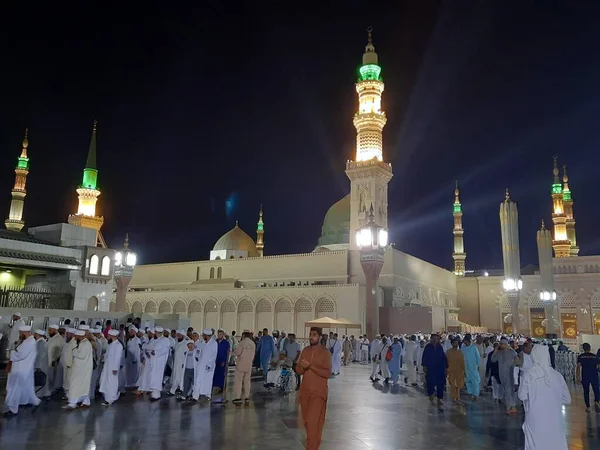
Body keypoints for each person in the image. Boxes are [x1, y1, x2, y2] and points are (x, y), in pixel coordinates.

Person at [518, 345, 571, 450]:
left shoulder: (529, 374)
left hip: (535, 419)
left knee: (536, 444)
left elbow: (521, 396)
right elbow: (567, 400)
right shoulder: (557, 375)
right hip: (555, 419)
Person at [295, 327, 331, 450]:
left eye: (314, 335)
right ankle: (314, 445)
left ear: (320, 337)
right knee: (308, 422)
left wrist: (311, 367)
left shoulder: (325, 352)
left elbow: (327, 373)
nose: (311, 337)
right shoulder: (305, 350)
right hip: (305, 391)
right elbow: (299, 370)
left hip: (318, 392)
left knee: (312, 421)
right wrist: (300, 367)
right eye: (310, 334)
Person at [3, 325, 41, 417]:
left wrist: (12, 352)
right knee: (26, 388)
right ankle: (33, 402)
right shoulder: (27, 341)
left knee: (16, 389)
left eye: (21, 333)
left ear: (25, 332)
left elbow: (21, 355)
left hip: (21, 370)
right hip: (23, 369)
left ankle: (13, 410)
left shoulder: (29, 342)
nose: (20, 335)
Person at [64, 329, 93, 409]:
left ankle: (72, 403)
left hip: (81, 370)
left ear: (79, 336)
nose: (75, 338)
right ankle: (85, 401)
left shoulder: (85, 344)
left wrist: (73, 350)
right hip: (80, 369)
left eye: (76, 336)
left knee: (75, 386)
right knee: (81, 387)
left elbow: (81, 355)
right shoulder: (83, 343)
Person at [491, 338, 519, 414]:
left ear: (505, 344)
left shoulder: (512, 352)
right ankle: (512, 407)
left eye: (501, 344)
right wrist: (495, 351)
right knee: (507, 390)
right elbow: (493, 360)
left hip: (509, 374)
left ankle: (509, 407)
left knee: (509, 390)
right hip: (501, 374)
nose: (500, 345)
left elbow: (518, 362)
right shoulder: (499, 353)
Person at [191, 328, 218, 403]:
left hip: (208, 366)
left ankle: (208, 395)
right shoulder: (202, 343)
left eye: (204, 335)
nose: (202, 336)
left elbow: (214, 355)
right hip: (200, 365)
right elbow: (198, 351)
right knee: (198, 380)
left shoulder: (214, 343)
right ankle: (195, 396)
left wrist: (210, 364)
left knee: (208, 381)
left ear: (207, 335)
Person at [421, 333, 448, 406]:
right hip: (431, 368)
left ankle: (440, 398)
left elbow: (443, 357)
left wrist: (446, 367)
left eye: (436, 338)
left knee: (440, 384)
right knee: (430, 382)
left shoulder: (440, 347)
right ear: (431, 339)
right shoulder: (428, 347)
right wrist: (424, 366)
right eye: (434, 338)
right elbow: (424, 357)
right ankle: (431, 394)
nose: (435, 340)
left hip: (440, 368)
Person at [231, 330, 256, 404]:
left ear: (243, 335)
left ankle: (238, 397)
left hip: (241, 365)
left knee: (239, 381)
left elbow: (238, 353)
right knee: (247, 382)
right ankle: (247, 398)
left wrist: (230, 353)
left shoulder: (242, 343)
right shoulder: (253, 343)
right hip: (249, 365)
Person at [100, 329, 123, 406]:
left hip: (113, 368)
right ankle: (107, 398)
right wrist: (103, 357)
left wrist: (115, 368)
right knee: (106, 381)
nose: (107, 337)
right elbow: (107, 354)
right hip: (107, 367)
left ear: (112, 336)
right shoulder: (110, 344)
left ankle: (111, 398)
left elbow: (117, 358)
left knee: (111, 383)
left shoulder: (118, 345)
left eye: (109, 336)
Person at [576, 342, 600, 413]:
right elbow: (599, 366)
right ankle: (597, 402)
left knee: (586, 391)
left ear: (583, 349)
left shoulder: (581, 356)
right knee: (596, 390)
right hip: (594, 375)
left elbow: (578, 367)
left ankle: (588, 407)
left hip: (585, 376)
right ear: (590, 348)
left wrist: (577, 377)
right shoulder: (595, 356)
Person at [148, 326, 170, 401]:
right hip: (153, 362)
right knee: (153, 377)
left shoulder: (165, 340)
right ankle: (154, 393)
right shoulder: (155, 340)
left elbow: (166, 350)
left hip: (159, 362)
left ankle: (156, 395)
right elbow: (150, 347)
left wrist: (156, 353)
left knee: (157, 378)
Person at [168, 330, 189, 396]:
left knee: (180, 377)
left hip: (182, 363)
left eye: (180, 335)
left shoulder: (186, 343)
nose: (178, 336)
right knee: (175, 376)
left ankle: (174, 390)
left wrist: (184, 363)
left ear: (183, 336)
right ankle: (176, 390)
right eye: (178, 335)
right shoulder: (176, 342)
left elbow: (187, 353)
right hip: (176, 363)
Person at [461, 334, 481, 400]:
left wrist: (478, 365)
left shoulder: (473, 347)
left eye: (465, 341)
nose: (464, 342)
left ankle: (475, 394)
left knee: (475, 381)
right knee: (467, 381)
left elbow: (477, 357)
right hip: (466, 367)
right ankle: (470, 393)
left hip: (473, 367)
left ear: (468, 341)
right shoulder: (463, 348)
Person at [33, 329, 51, 399]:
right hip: (41, 365)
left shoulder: (41, 343)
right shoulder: (40, 342)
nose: (34, 335)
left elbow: (40, 355)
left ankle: (40, 394)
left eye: (35, 334)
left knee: (40, 380)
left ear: (37, 334)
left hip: (41, 365)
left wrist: (37, 366)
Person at [446, 338, 465, 403]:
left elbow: (463, 362)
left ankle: (457, 397)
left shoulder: (460, 352)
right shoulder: (448, 352)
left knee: (459, 384)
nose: (456, 344)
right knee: (452, 384)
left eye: (457, 343)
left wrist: (464, 370)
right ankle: (454, 397)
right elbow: (446, 361)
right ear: (452, 344)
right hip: (451, 370)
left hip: (459, 371)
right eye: (455, 343)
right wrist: (446, 370)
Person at [46, 324, 64, 393]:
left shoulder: (59, 338)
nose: (49, 332)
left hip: (53, 361)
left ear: (55, 330)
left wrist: (55, 359)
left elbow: (59, 350)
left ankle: (51, 390)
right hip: (48, 359)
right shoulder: (51, 337)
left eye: (50, 330)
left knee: (52, 376)